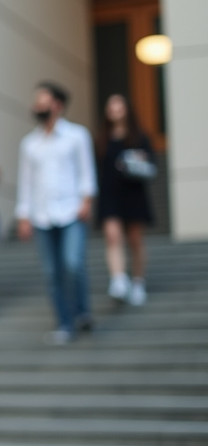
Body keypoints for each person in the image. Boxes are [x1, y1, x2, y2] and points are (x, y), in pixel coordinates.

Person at [16, 82, 97, 345]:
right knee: (52, 273)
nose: (37, 106)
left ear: (57, 105)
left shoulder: (77, 135)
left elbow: (86, 171)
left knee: (73, 264)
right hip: (42, 216)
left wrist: (86, 200)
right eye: (36, 101)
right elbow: (26, 182)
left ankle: (82, 312)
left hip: (72, 211)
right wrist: (23, 215)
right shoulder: (29, 144)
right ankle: (64, 323)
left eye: (43, 100)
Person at [97, 94, 155, 307]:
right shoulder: (102, 139)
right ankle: (119, 279)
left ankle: (138, 282)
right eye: (111, 106)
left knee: (135, 240)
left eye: (119, 106)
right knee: (112, 237)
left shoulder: (140, 137)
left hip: (133, 194)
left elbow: (151, 165)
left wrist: (135, 160)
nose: (115, 110)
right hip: (110, 194)